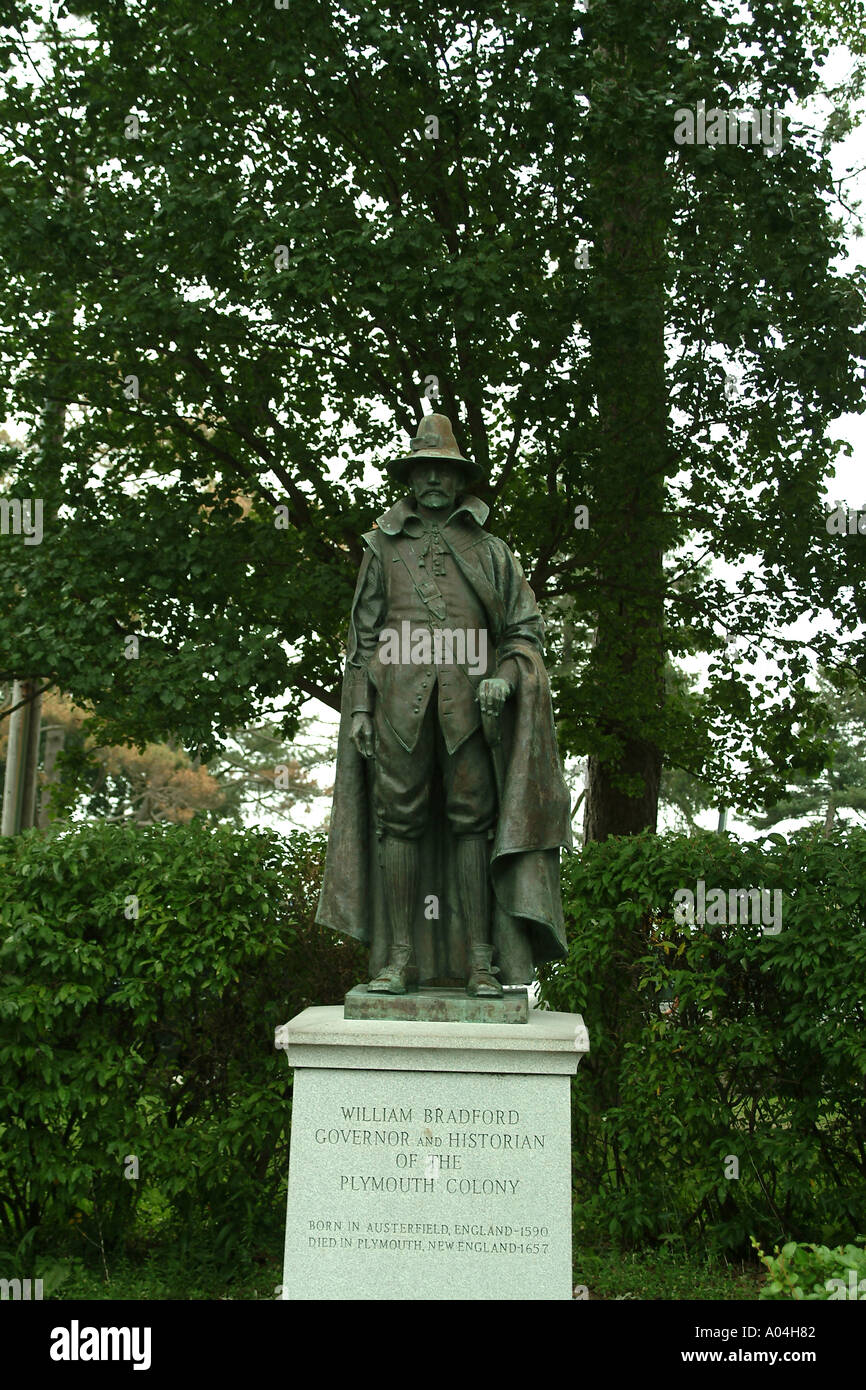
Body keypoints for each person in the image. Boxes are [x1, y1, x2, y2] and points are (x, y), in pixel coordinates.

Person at [315, 413, 572, 997]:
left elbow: (522, 632)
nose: (433, 479)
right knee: (397, 825)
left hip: (470, 716)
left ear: (459, 480)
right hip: (397, 710)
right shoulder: (382, 547)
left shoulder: (492, 551)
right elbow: (362, 638)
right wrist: (357, 710)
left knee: (473, 825)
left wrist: (505, 678)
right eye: (423, 469)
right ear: (411, 477)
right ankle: (399, 959)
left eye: (444, 470)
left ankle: (482, 962)